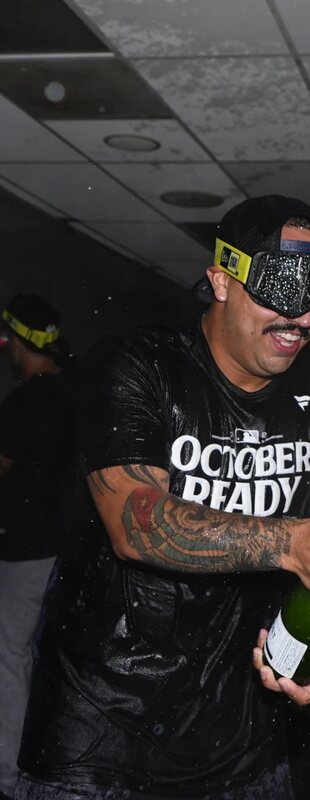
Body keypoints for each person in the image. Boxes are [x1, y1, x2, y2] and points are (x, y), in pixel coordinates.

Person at [15, 195, 310, 799]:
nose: (302, 316)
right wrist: (295, 544)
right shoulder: (138, 366)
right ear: (220, 280)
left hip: (242, 738)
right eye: (279, 287)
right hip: (103, 735)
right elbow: (133, 522)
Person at [0, 295, 83, 799]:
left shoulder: (25, 401)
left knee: (10, 658)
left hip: (26, 550)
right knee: (50, 659)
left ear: (16, 343)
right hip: (71, 549)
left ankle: (9, 779)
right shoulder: (77, 390)